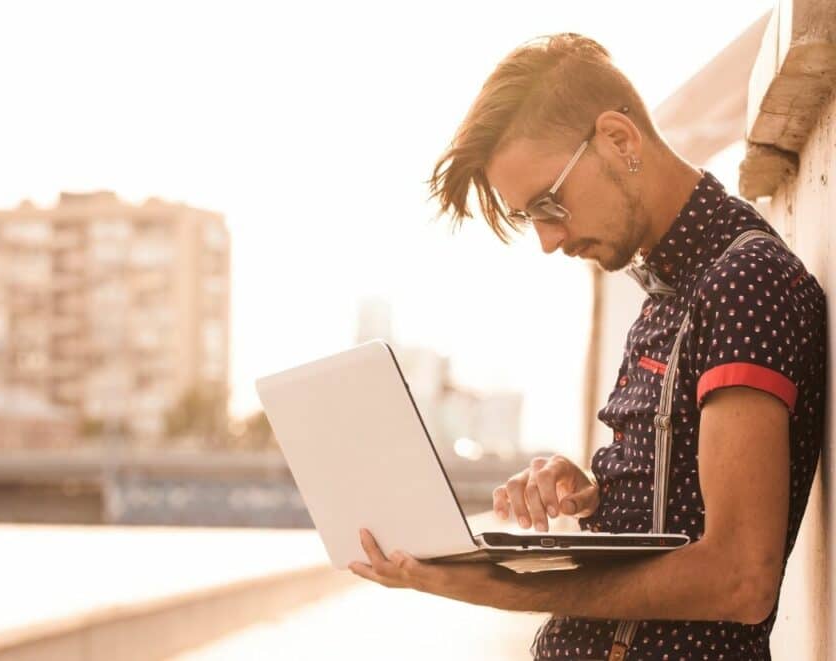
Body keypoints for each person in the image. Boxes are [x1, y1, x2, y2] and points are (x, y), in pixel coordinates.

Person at [346, 32, 827, 660]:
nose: (548, 240)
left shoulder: (742, 280)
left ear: (619, 141)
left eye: (550, 203)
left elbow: (739, 578)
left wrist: (492, 585)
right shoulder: (669, 286)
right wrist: (598, 493)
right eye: (530, 218)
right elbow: (681, 502)